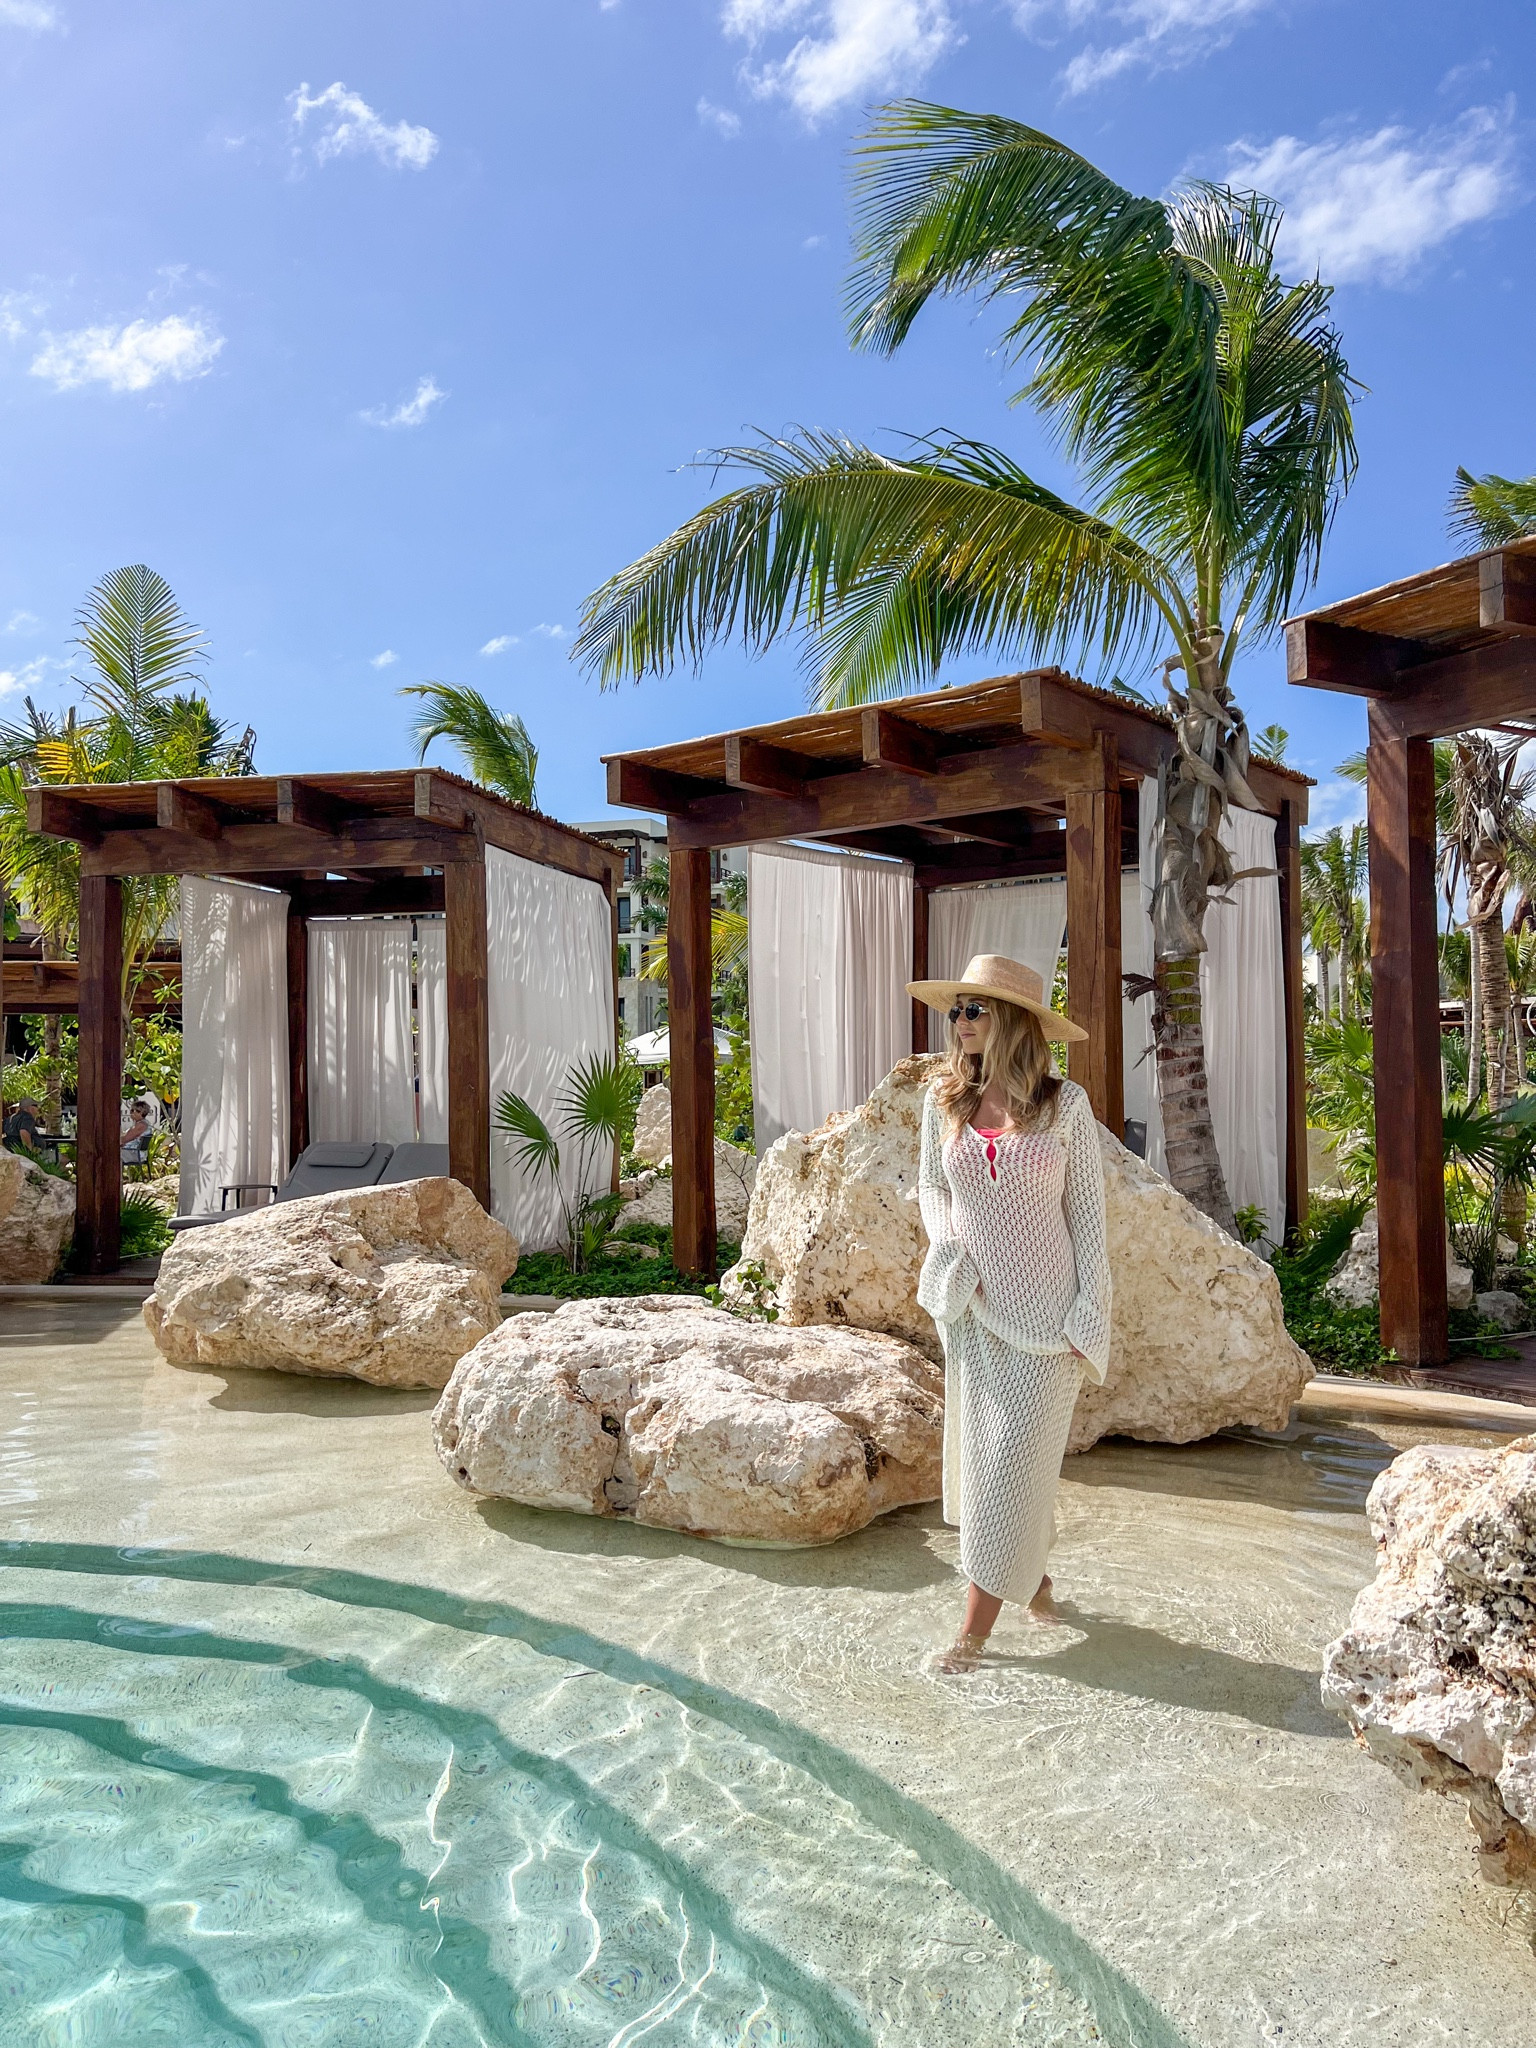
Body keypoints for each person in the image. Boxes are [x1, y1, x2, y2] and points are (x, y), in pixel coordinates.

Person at [907, 954, 1112, 1675]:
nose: (959, 1022)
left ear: (1014, 1020)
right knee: (995, 1471)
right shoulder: (942, 1102)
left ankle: (971, 1637)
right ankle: (1036, 1586)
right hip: (974, 1317)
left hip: (1050, 1330)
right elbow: (932, 1189)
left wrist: (1092, 1318)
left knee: (1005, 1475)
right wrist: (949, 1242)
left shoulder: (1067, 1106)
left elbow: (1088, 1219)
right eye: (956, 1009)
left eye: (974, 1009)